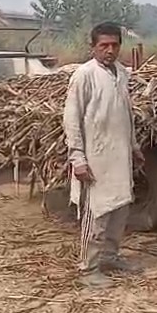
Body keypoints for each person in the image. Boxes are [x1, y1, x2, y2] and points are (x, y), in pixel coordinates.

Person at [63, 22, 145, 289]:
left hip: (118, 157)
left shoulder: (121, 73)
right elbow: (72, 119)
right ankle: (89, 269)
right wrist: (78, 158)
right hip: (94, 159)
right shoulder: (84, 76)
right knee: (95, 215)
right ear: (93, 47)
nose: (110, 51)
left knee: (119, 210)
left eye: (115, 45)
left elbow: (126, 114)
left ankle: (111, 257)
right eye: (104, 46)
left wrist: (133, 147)